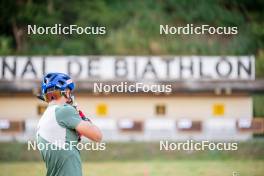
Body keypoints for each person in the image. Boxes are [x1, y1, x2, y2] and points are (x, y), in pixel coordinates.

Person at [37, 72, 102, 176]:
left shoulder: (45, 117)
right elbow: (97, 136)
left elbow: (68, 147)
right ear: (66, 92)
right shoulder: (64, 111)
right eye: (69, 91)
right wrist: (79, 112)